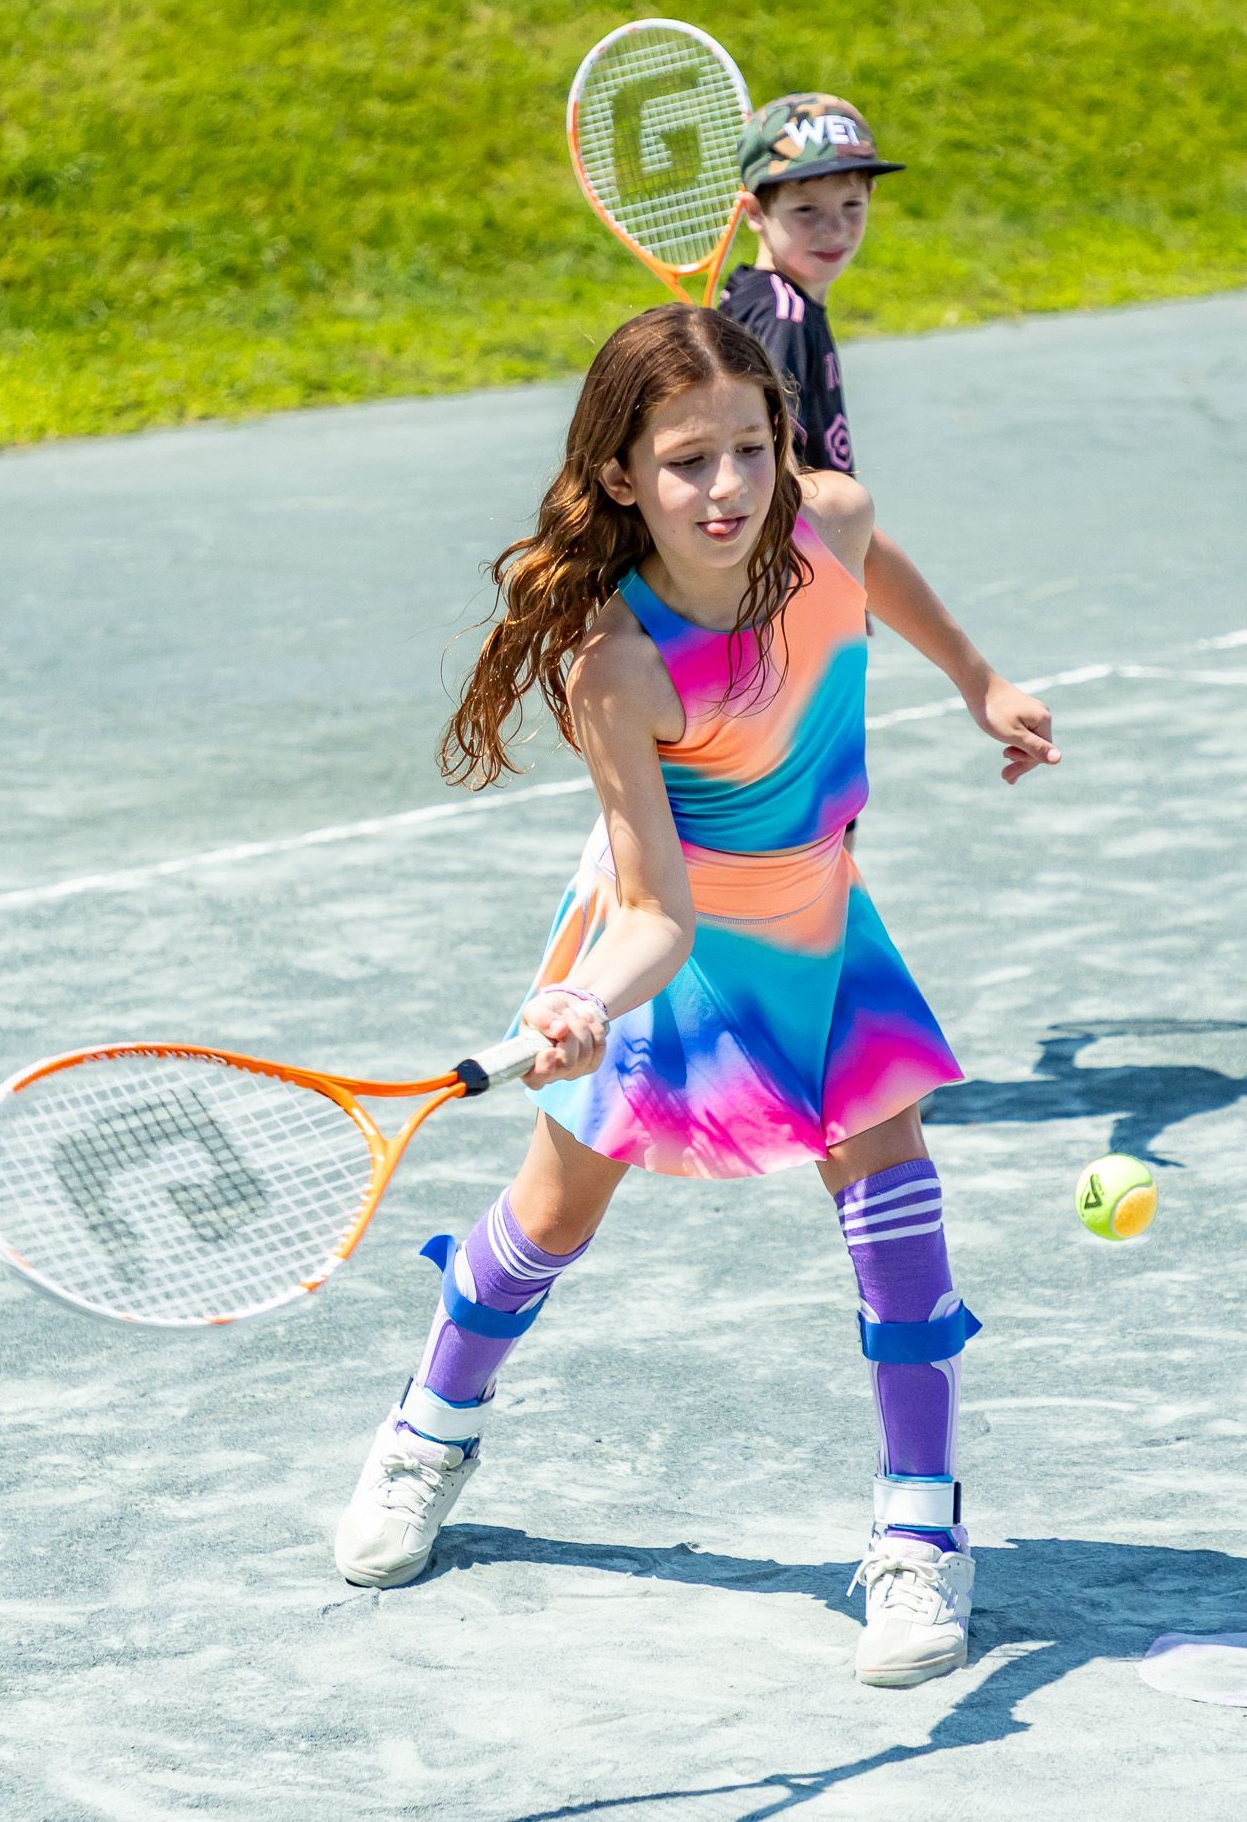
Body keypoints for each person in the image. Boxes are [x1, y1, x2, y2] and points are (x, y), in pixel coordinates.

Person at [334, 306, 1060, 1688]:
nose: (728, 489)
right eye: (685, 463)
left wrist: (975, 678)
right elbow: (654, 909)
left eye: (751, 447)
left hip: (824, 922)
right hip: (675, 942)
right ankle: (429, 1430)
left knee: (893, 1199)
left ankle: (921, 1525)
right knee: (548, 1220)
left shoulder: (820, 518)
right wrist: (581, 1004)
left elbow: (864, 555)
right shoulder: (616, 664)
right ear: (620, 478)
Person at [719, 91, 900, 476]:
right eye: (806, 210)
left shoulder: (776, 300)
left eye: (851, 204)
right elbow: (772, 467)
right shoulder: (783, 316)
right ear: (754, 212)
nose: (834, 229)